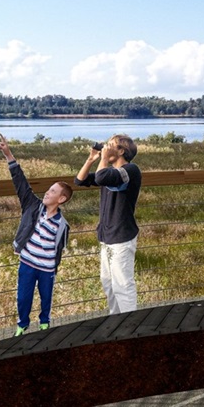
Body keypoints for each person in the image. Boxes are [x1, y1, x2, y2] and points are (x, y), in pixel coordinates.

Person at [0, 134, 72, 337]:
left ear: (62, 199)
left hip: (47, 269)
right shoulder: (32, 206)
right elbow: (20, 183)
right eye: (48, 190)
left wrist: (54, 268)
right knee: (23, 298)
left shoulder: (63, 225)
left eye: (53, 191)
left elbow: (59, 249)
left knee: (46, 298)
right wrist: (8, 154)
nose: (47, 193)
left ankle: (44, 323)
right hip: (28, 264)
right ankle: (22, 325)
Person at [76, 134, 142, 314]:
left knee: (122, 284)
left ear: (121, 151)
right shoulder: (109, 173)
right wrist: (91, 159)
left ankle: (130, 325)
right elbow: (79, 180)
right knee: (108, 282)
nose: (106, 147)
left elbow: (102, 177)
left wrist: (103, 159)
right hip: (107, 236)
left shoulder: (130, 170)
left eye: (110, 145)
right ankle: (116, 320)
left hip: (122, 235)